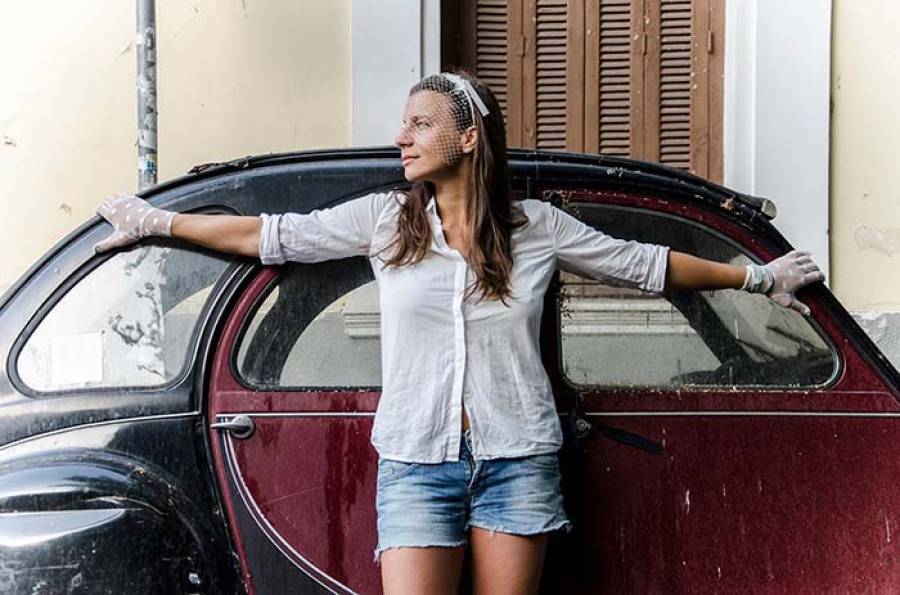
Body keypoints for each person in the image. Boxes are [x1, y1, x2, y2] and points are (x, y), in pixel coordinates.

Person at [94, 71, 824, 594]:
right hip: (416, 460)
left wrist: (759, 278)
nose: (401, 137)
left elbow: (646, 265)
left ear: (468, 137)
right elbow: (269, 235)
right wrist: (156, 222)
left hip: (518, 457)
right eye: (404, 123)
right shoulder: (384, 221)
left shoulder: (537, 229)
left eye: (420, 124)